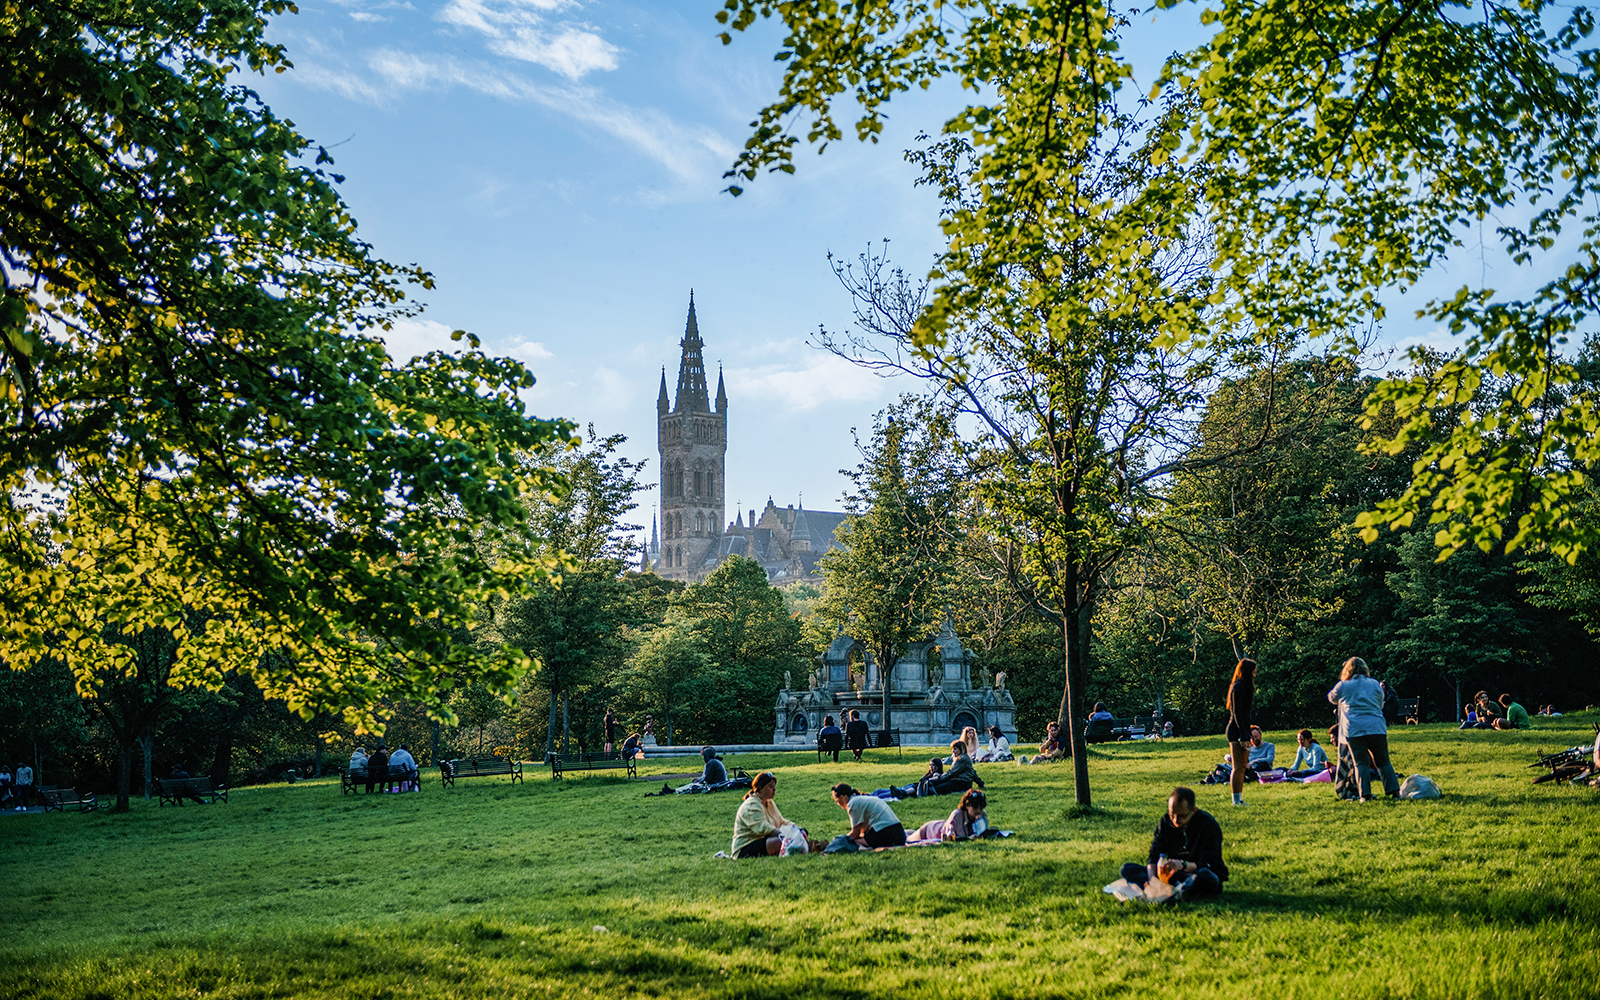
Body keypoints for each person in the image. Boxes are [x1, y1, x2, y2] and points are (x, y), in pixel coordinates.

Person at [1117, 786, 1228, 902]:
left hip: (1195, 874)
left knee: (1206, 877)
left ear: (1193, 810)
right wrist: (1153, 881)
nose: (1175, 820)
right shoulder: (1166, 823)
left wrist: (1183, 865)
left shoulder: (1208, 825)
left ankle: (1178, 893)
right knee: (1127, 869)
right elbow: (1153, 856)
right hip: (1172, 876)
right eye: (1172, 814)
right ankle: (1173, 892)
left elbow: (1208, 862)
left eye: (1182, 816)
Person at [1328, 656, 1400, 801]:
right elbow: (1380, 704)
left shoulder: (1343, 685)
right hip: (1376, 726)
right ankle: (1394, 792)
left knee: (1360, 763)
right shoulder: (1374, 684)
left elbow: (1332, 698)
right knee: (1383, 761)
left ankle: (1364, 795)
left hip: (1354, 729)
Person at [731, 772, 789, 858]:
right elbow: (763, 828)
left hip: (763, 841)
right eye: (770, 787)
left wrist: (796, 829)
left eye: (774, 787)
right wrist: (785, 835)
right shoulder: (751, 805)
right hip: (744, 847)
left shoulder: (769, 802)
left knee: (791, 840)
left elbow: (780, 821)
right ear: (760, 788)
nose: (774, 790)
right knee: (780, 842)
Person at [832, 782, 907, 848]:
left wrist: (838, 842)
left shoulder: (853, 804)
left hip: (887, 833)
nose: (838, 804)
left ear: (842, 797)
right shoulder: (861, 799)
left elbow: (855, 833)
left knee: (854, 841)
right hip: (899, 833)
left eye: (837, 801)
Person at [1224, 658, 1256, 806]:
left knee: (1242, 766)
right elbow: (1237, 713)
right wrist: (1243, 734)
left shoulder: (1244, 686)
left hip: (1243, 730)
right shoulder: (1238, 687)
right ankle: (1236, 800)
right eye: (1253, 670)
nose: (1255, 673)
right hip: (1236, 731)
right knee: (1237, 767)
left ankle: (1240, 798)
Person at [909, 788, 989, 843]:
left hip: (940, 825)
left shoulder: (982, 815)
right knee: (907, 840)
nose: (979, 811)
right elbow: (948, 835)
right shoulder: (957, 815)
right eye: (975, 807)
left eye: (981, 808)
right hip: (930, 831)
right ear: (967, 806)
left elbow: (982, 833)